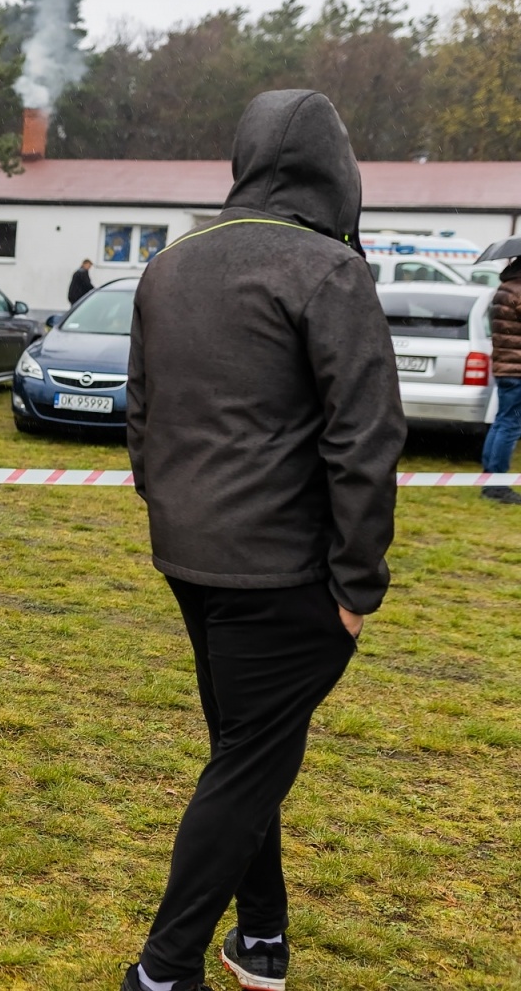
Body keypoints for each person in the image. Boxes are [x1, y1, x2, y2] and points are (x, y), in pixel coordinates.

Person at [121, 90, 405, 991]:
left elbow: (141, 413)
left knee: (247, 744)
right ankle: (163, 973)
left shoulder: (170, 263)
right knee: (248, 762)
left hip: (188, 550)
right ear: (338, 167)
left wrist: (163, 501)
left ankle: (263, 935)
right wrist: (357, 587)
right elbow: (367, 438)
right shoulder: (328, 270)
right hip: (284, 573)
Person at [479, 247, 521, 503]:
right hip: (517, 369)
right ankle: (496, 485)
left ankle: (489, 478)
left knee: (501, 422)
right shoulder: (519, 289)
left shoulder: (506, 287)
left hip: (507, 367)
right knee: (510, 425)